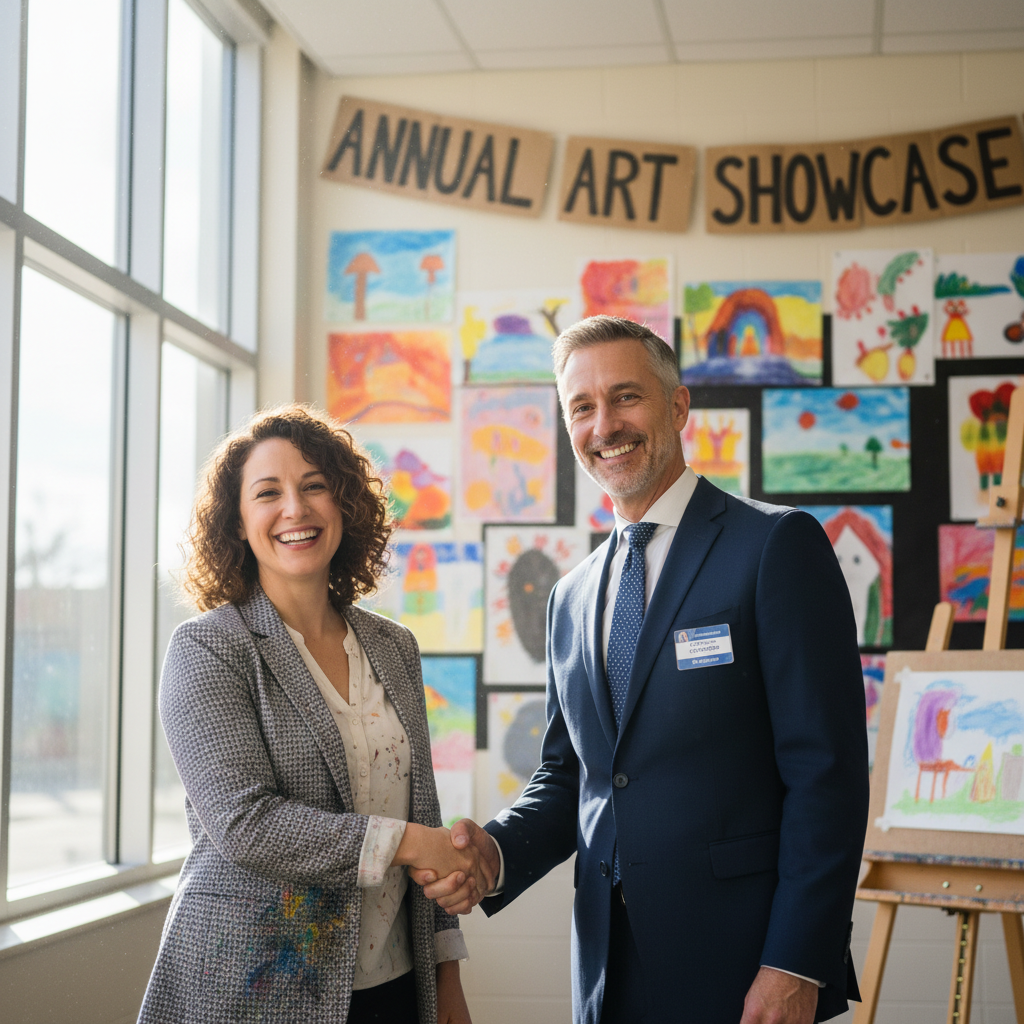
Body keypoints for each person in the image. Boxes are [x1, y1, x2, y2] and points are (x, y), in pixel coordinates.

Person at [415, 316, 870, 1024]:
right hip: (607, 966)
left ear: (678, 407)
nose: (605, 425)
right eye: (583, 407)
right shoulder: (570, 598)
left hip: (747, 967)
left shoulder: (776, 548)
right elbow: (575, 780)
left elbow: (828, 777)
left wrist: (796, 961)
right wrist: (493, 854)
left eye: (626, 397)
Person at [138, 405, 493, 1024]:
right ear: (238, 521)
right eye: (268, 493)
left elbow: (423, 811)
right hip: (255, 989)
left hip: (396, 986)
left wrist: (448, 985)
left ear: (344, 505)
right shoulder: (208, 648)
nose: (295, 510)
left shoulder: (393, 646)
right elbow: (246, 824)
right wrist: (415, 845)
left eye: (314, 487)